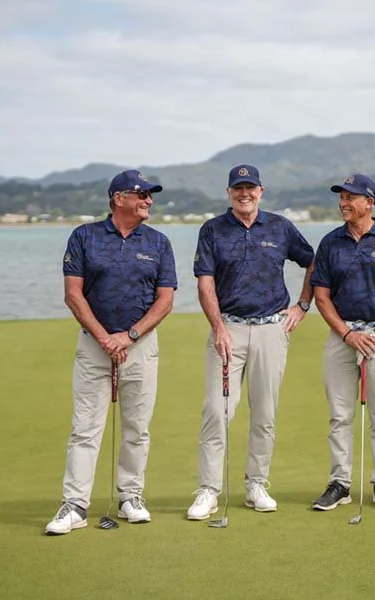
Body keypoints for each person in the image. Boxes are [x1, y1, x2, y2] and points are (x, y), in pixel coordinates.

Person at [45, 169, 177, 535]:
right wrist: (105, 338)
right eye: (142, 194)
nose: (148, 200)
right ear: (119, 198)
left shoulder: (158, 242)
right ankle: (74, 506)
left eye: (150, 195)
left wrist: (129, 336)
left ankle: (131, 497)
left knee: (137, 428)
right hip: (94, 346)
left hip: (140, 347)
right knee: (85, 429)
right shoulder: (84, 237)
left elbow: (165, 301)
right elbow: (73, 293)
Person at [186, 164, 315, 520]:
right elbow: (205, 283)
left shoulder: (280, 227)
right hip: (228, 329)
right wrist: (218, 328)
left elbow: (314, 262)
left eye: (251, 188)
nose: (245, 193)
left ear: (261, 190)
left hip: (273, 329)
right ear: (229, 193)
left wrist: (302, 306)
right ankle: (209, 491)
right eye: (238, 188)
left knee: (265, 413)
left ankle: (256, 484)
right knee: (217, 410)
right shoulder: (212, 229)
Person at [310, 173, 375, 511]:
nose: (343, 203)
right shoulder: (330, 242)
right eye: (341, 197)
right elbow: (321, 296)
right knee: (339, 414)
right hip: (342, 335)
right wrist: (347, 334)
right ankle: (340, 482)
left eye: (350, 197)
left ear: (369, 202)